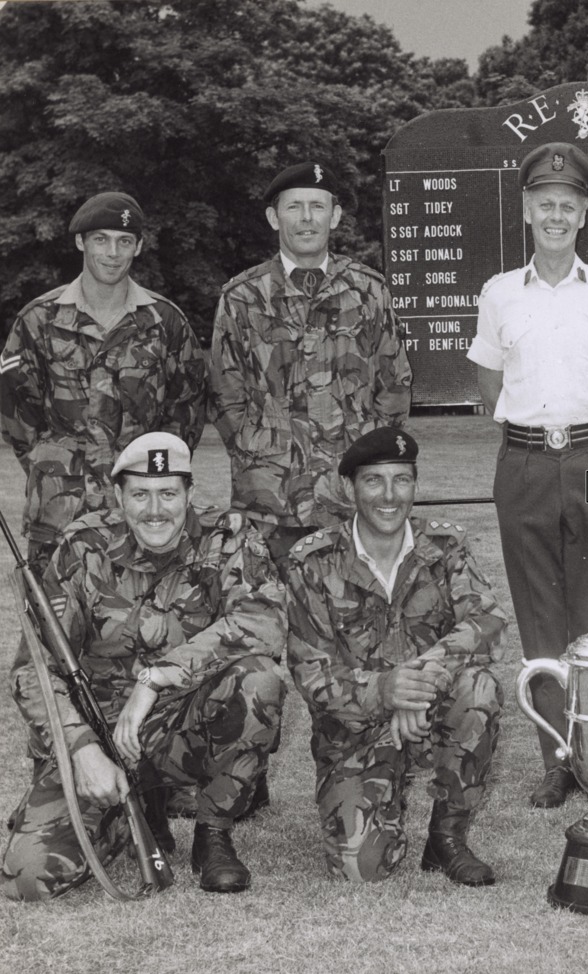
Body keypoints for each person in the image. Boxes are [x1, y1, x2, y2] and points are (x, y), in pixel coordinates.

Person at [0, 433, 286, 900]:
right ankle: (131, 812)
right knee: (28, 878)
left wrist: (156, 678)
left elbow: (265, 620)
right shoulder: (83, 545)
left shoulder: (228, 536)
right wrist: (81, 750)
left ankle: (212, 834)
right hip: (102, 735)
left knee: (260, 679)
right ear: (119, 496)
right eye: (140, 494)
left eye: (169, 493)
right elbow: (32, 668)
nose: (156, 510)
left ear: (190, 493)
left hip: (184, 724)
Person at [467, 142, 588, 809]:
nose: (555, 214)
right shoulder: (498, 294)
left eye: (567, 205)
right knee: (539, 613)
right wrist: (536, 434)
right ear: (525, 210)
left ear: (583, 214)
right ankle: (558, 759)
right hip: (522, 465)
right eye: (543, 203)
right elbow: (488, 383)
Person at [285, 428, 506, 885]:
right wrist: (385, 691)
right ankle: (383, 804)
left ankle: (447, 838)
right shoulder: (314, 563)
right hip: (354, 729)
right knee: (361, 869)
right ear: (350, 488)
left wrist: (418, 683)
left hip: (428, 715)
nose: (389, 496)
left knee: (479, 686)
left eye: (401, 480)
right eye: (374, 481)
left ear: (415, 484)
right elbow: (311, 673)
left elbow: (486, 622)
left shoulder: (445, 548)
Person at [209, 162, 412, 568]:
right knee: (270, 614)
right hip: (269, 498)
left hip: (349, 493)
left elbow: (395, 385)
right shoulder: (242, 297)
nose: (306, 219)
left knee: (353, 612)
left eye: (317, 207)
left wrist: (367, 453)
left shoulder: (368, 290)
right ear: (273, 217)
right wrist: (260, 451)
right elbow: (223, 393)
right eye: (294, 207)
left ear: (334, 216)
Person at [0, 192, 207, 577]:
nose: (113, 253)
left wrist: (151, 472)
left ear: (139, 246)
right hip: (61, 511)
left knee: (141, 627)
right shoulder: (39, 320)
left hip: (144, 512)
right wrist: (56, 466)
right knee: (53, 627)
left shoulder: (165, 321)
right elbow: (15, 411)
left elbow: (187, 409)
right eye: (101, 239)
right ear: (81, 242)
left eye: (124, 241)